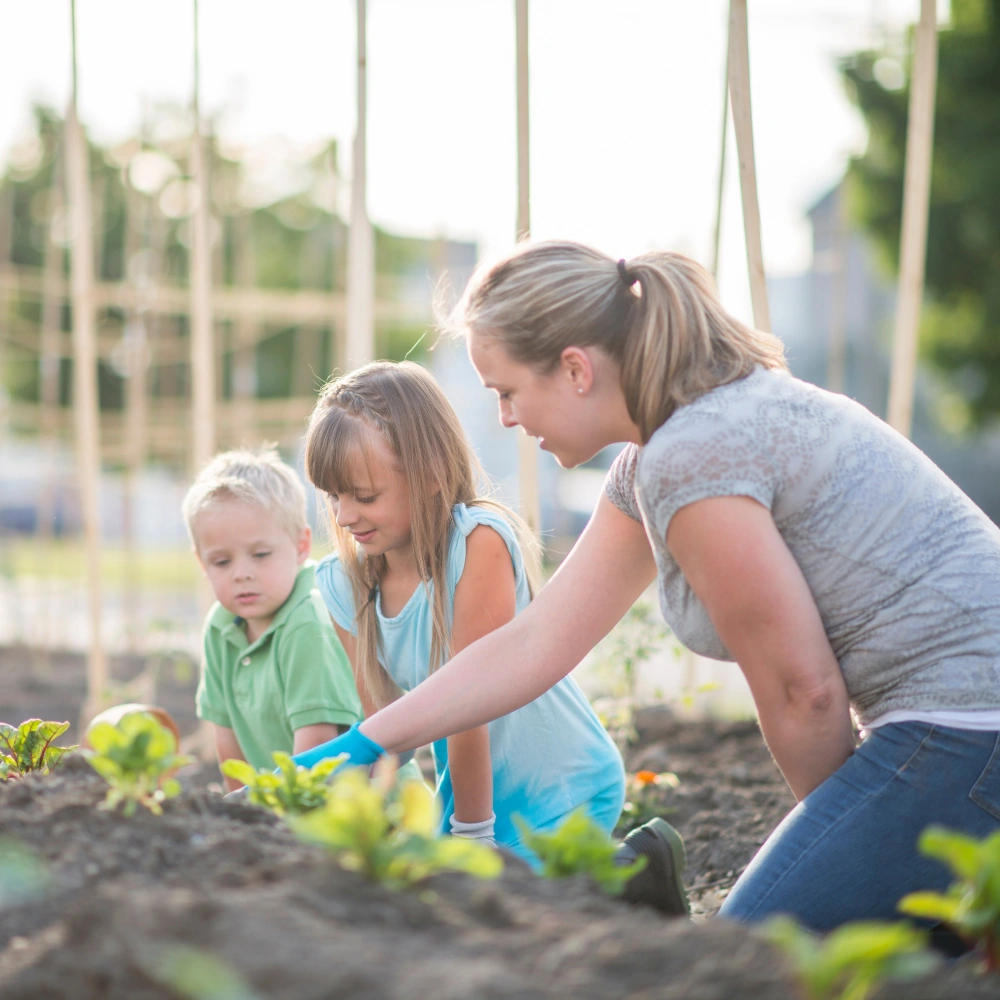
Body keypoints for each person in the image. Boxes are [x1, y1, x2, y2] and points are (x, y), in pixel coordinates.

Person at [296, 240, 1000, 931]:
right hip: (954, 730)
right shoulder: (657, 458)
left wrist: (843, 845)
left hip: (970, 725)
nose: (506, 419)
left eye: (508, 392)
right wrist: (372, 741)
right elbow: (538, 641)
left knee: (747, 968)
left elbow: (804, 692)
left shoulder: (693, 455)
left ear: (574, 369)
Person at [292, 360, 681, 880]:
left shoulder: (476, 544)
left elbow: (471, 706)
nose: (343, 516)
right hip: (471, 796)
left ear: (429, 475)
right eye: (333, 497)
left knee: (518, 915)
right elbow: (388, 735)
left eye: (364, 497)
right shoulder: (344, 584)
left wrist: (472, 837)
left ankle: (643, 867)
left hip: (561, 784)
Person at [184, 447, 363, 789]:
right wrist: (242, 817)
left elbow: (317, 752)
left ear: (300, 546)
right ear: (202, 563)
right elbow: (228, 744)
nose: (241, 574)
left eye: (260, 555)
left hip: (359, 812)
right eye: (222, 562)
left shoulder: (309, 621)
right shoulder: (220, 627)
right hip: (282, 807)